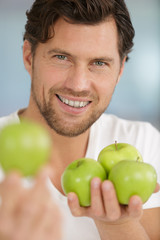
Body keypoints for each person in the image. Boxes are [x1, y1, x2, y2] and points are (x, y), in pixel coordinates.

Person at [0, 0, 160, 239]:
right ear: (28, 57)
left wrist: (118, 226)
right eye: (62, 57)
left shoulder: (143, 142)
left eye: (99, 63)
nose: (78, 85)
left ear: (119, 71)